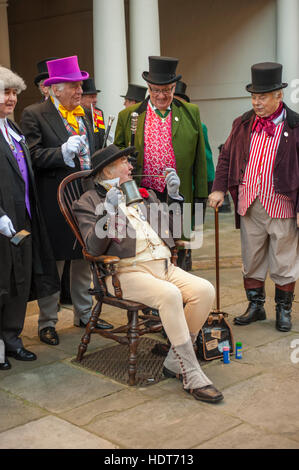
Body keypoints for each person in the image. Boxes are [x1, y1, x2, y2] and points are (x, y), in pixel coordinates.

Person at [72, 144, 223, 404]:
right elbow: (94, 247)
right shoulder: (88, 202)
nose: (132, 167)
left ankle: (174, 361)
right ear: (108, 170)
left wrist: (175, 198)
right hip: (125, 273)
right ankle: (191, 372)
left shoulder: (144, 195)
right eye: (125, 163)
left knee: (204, 290)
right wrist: (108, 214)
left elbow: (175, 234)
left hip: (164, 267)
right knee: (170, 295)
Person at [21, 56, 112, 347]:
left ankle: (84, 314)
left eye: (80, 85)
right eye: (74, 86)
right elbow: (32, 156)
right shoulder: (34, 114)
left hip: (86, 197)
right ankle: (48, 322)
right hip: (55, 199)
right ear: (55, 88)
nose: (79, 91)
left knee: (83, 256)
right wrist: (61, 152)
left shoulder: (86, 114)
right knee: (56, 261)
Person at [209, 62, 299, 332]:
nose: (257, 102)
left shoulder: (295, 125)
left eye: (262, 97)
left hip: (282, 203)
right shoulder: (242, 123)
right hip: (249, 202)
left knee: (284, 259)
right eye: (254, 97)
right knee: (252, 257)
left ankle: (283, 310)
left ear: (278, 96)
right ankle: (256, 306)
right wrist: (218, 188)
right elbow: (225, 157)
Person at [114, 57, 208, 271]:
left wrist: (201, 194)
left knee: (179, 244)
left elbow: (199, 158)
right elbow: (117, 151)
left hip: (178, 193)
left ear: (174, 88)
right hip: (143, 193)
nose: (161, 95)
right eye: (156, 90)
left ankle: (181, 289)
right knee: (148, 242)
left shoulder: (190, 112)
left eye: (167, 90)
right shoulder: (129, 115)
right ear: (149, 88)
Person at [0, 66, 59, 370]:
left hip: (23, 218)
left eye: (14, 93)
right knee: (1, 283)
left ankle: (13, 339)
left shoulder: (14, 130)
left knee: (19, 283)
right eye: (5, 92)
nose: (11, 99)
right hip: (1, 222)